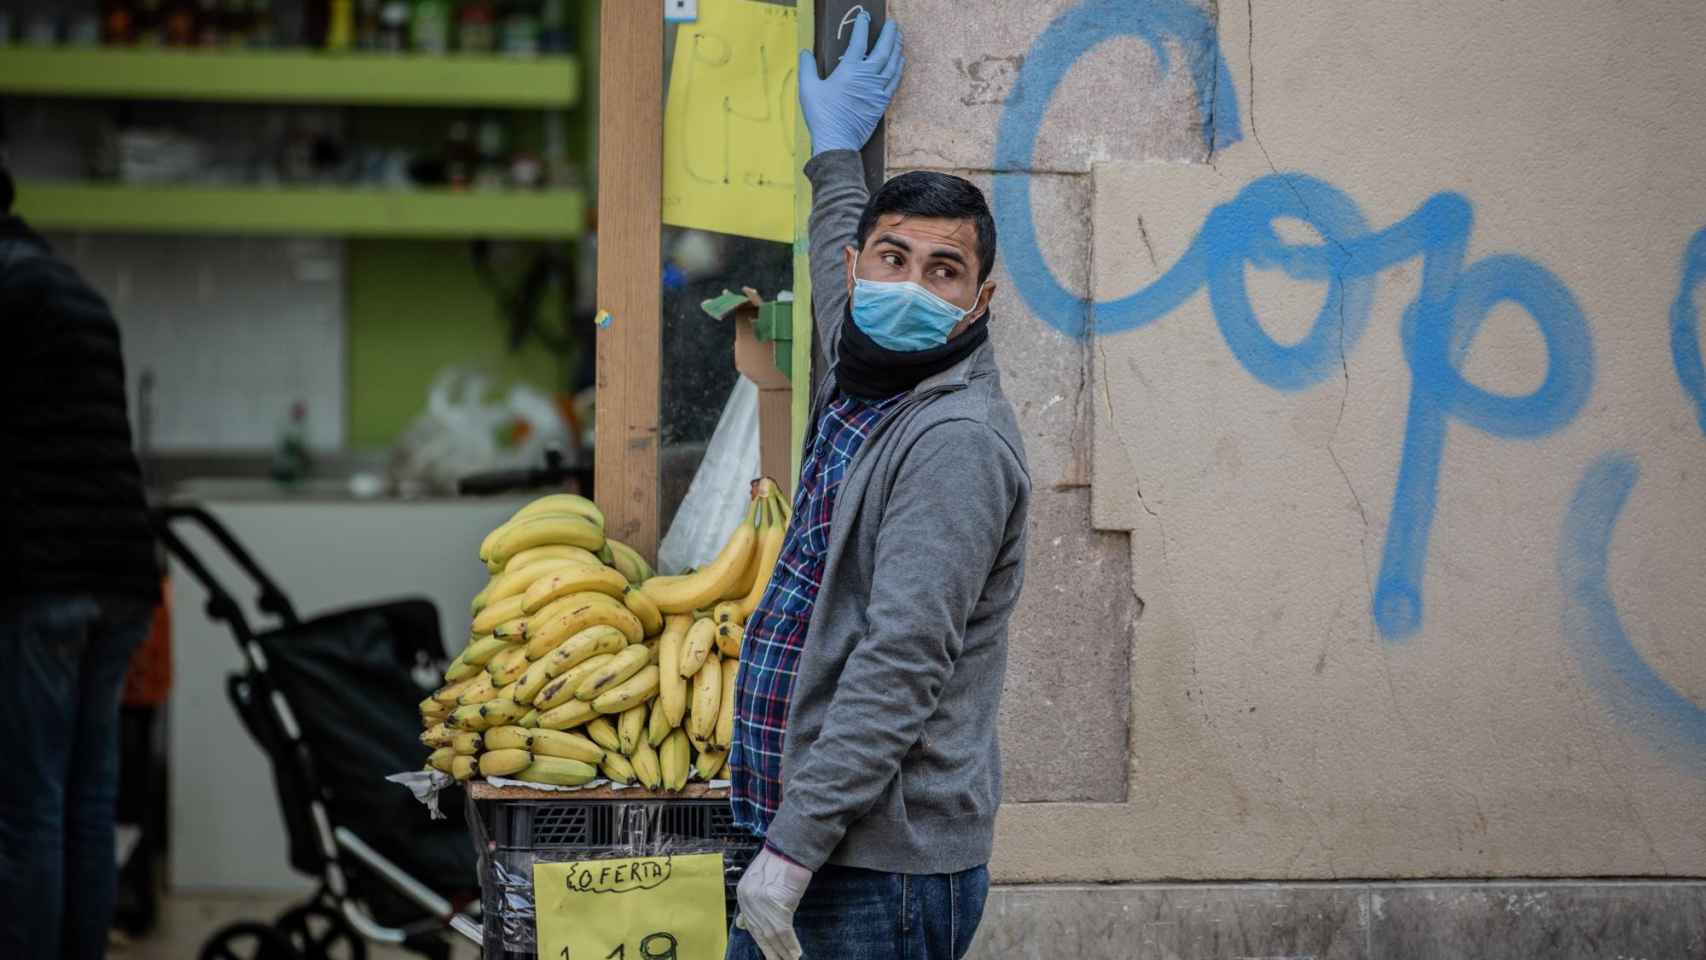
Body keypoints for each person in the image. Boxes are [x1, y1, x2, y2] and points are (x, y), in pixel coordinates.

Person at [726, 13, 1031, 960]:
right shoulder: (860, 361)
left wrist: (791, 854)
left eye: (945, 271)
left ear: (978, 303)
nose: (911, 285)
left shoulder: (954, 441)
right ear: (862, 269)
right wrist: (833, 154)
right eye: (893, 259)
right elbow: (834, 253)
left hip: (869, 875)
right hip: (816, 845)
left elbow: (900, 664)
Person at [0, 160, 161, 959]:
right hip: (123, 573)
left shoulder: (9, 291)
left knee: (29, 806)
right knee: (86, 800)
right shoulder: (73, 289)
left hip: (44, 578)